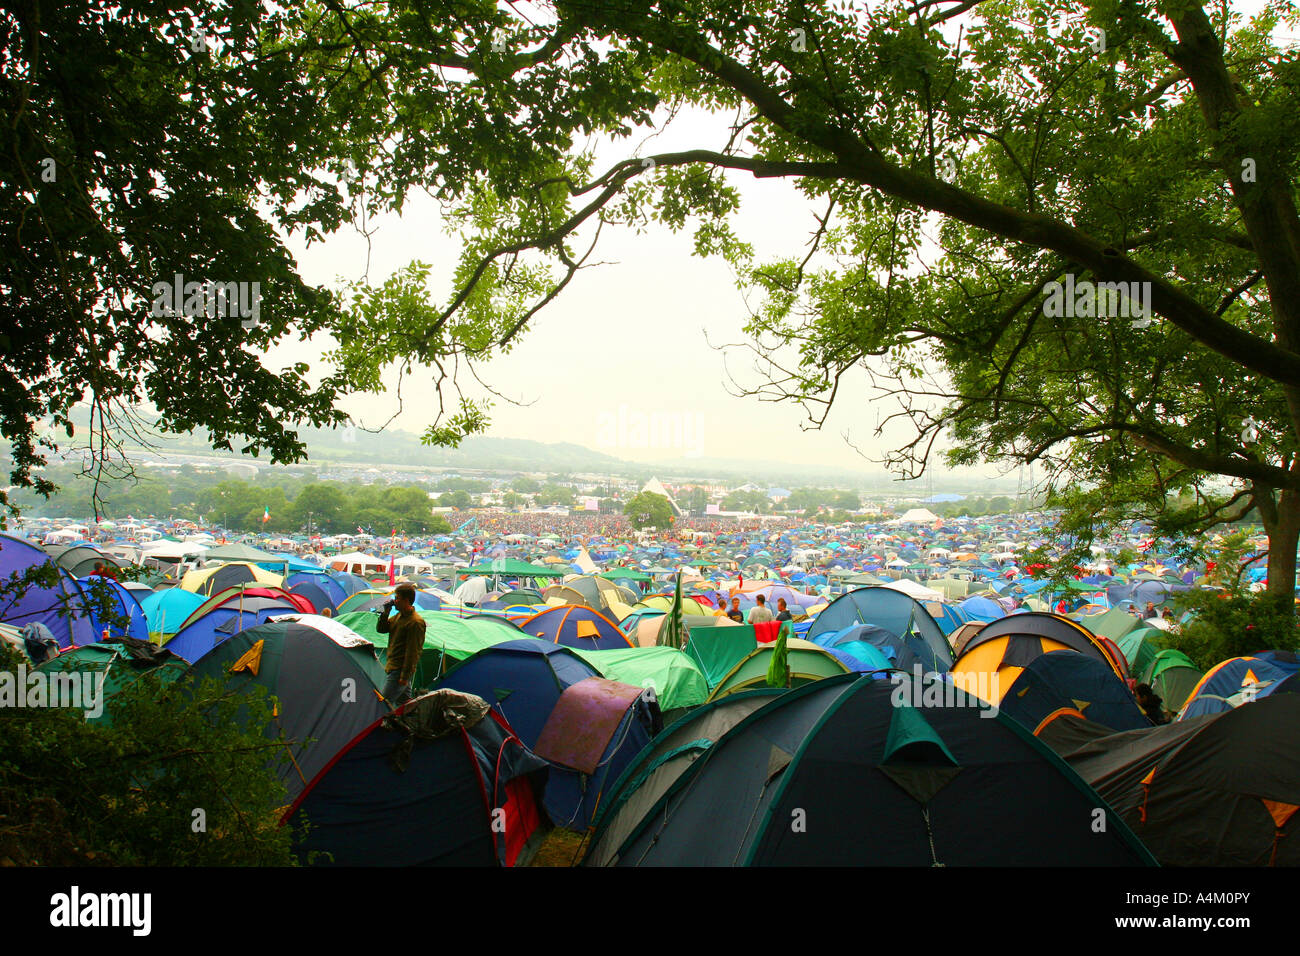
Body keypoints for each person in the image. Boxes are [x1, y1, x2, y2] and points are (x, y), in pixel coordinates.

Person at [376, 583, 425, 708]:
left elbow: (413, 652)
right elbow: (382, 629)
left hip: (400, 670)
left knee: (383, 703)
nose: (395, 601)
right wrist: (385, 613)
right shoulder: (398, 616)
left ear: (406, 600)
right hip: (393, 666)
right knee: (406, 705)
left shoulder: (415, 622)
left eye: (397, 598)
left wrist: (404, 676)